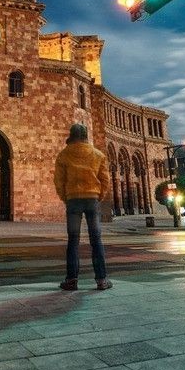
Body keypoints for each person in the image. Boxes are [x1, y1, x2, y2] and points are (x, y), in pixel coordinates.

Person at [54, 123, 112, 290]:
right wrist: (98, 196)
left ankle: (71, 280)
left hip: (73, 200)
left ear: (71, 136)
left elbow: (59, 181)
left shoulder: (63, 155)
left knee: (73, 240)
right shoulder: (98, 155)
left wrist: (65, 197)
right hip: (92, 199)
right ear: (86, 136)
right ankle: (101, 280)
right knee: (96, 240)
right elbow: (105, 180)